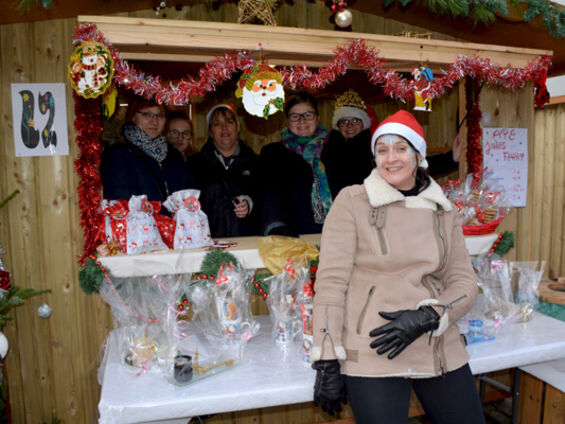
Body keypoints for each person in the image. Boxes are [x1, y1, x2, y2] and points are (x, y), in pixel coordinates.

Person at [310, 110, 483, 423]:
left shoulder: (443, 210)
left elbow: (463, 283)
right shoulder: (352, 201)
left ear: (419, 154)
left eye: (401, 148)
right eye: (382, 149)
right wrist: (327, 358)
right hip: (373, 348)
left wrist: (429, 315)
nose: (391, 158)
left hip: (435, 341)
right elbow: (331, 283)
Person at [259, 92, 332, 237]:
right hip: (290, 236)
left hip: (334, 234)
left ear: (317, 118)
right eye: (295, 116)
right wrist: (276, 227)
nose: (302, 121)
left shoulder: (334, 150)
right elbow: (267, 194)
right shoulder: (272, 153)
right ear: (286, 120)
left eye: (308, 115)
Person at [100, 97, 194, 206]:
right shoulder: (118, 154)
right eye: (146, 114)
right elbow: (119, 202)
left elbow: (188, 198)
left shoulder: (174, 155)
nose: (154, 121)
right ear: (133, 116)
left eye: (160, 115)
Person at [187, 103, 259, 238]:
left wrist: (250, 202)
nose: (224, 128)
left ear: (237, 128)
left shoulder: (256, 162)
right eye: (217, 124)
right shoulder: (194, 164)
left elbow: (266, 199)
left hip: (247, 240)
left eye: (229, 122)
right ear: (210, 132)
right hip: (208, 241)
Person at [321, 89, 375, 199]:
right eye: (344, 121)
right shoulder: (326, 149)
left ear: (363, 123)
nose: (350, 126)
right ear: (338, 125)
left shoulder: (374, 148)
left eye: (355, 120)